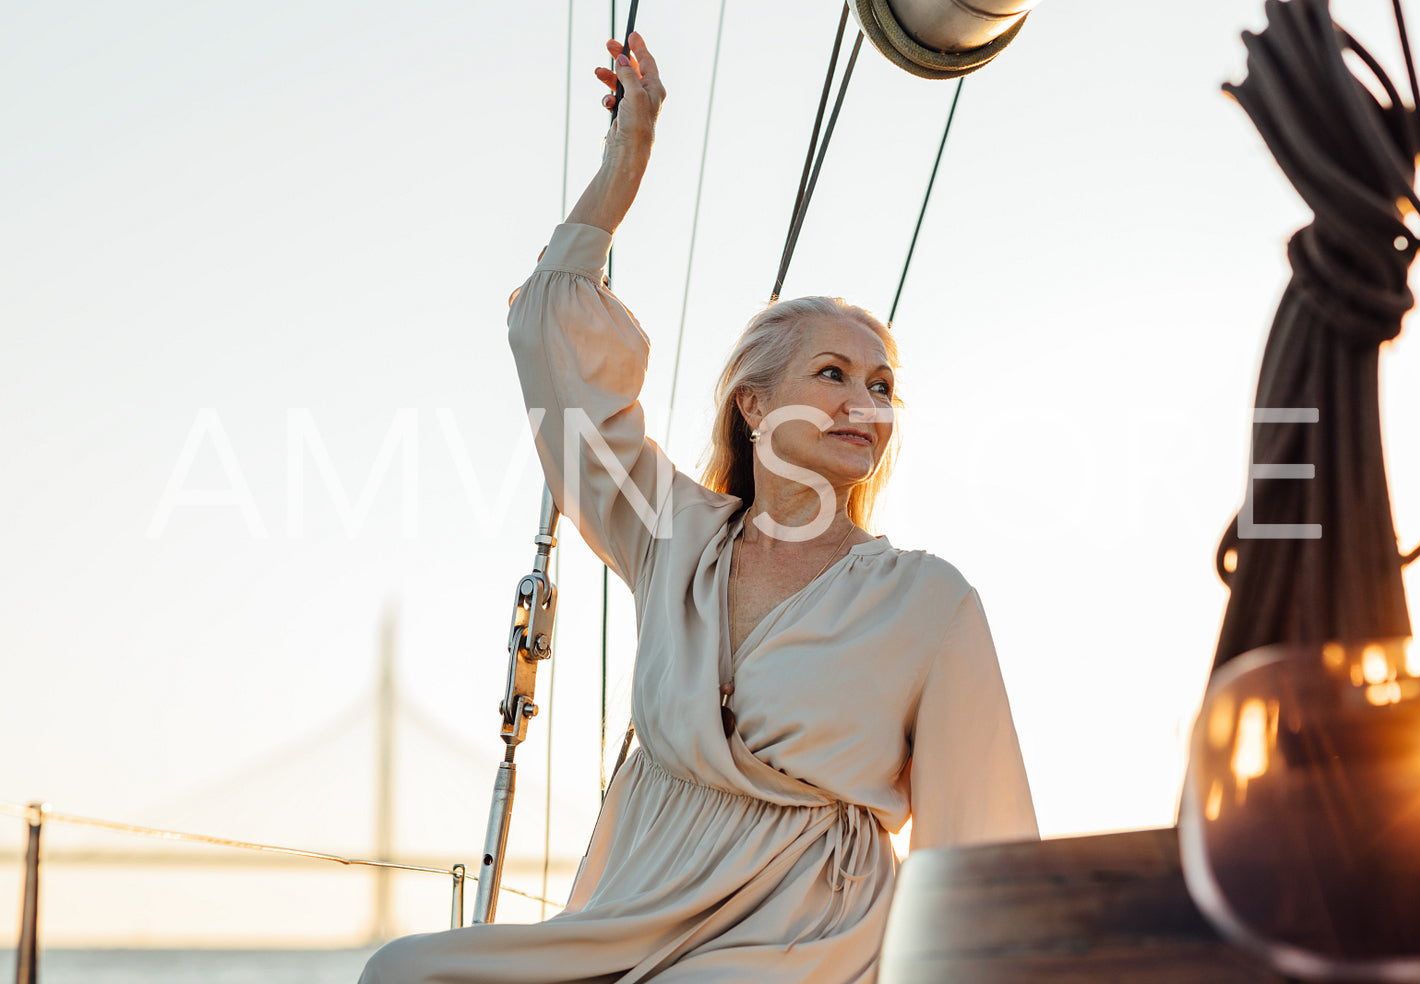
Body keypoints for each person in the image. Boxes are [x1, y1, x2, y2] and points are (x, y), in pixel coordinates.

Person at [361, 31, 1036, 984]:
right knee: (405, 971)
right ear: (753, 404)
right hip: (637, 906)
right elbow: (559, 353)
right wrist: (624, 166)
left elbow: (982, 844)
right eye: (832, 373)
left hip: (804, 930)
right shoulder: (675, 536)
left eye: (881, 386)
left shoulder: (928, 603)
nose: (862, 403)